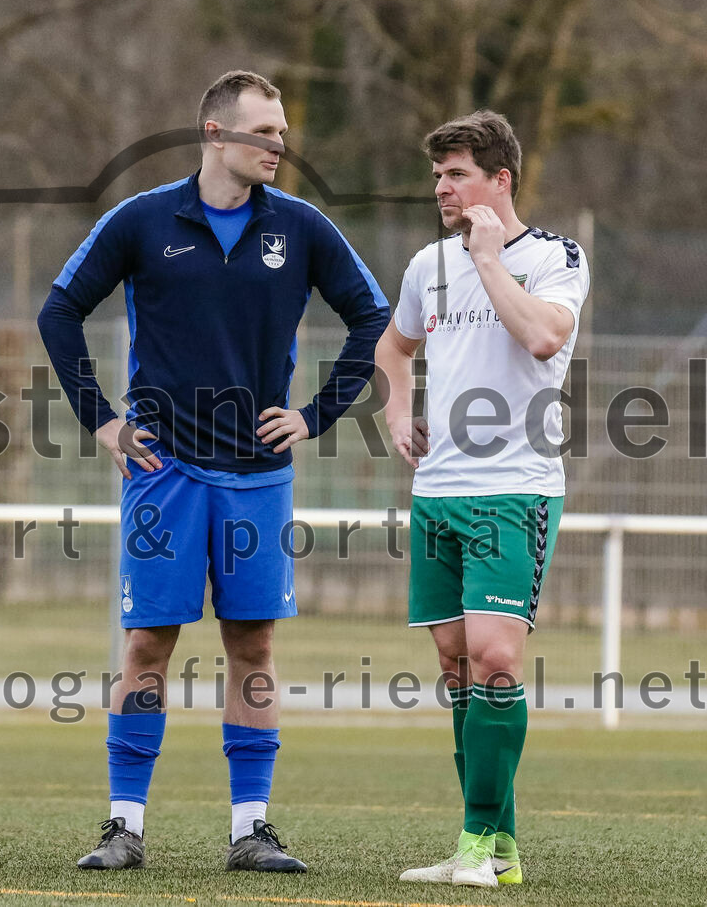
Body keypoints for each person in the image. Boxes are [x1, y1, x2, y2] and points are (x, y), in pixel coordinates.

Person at [38, 70, 389, 872]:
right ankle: (124, 827)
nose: (280, 145)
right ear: (215, 135)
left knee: (253, 647)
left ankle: (249, 830)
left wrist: (315, 414)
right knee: (147, 645)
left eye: (284, 131)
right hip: (163, 472)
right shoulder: (142, 219)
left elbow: (374, 315)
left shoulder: (301, 228)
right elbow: (59, 310)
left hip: (259, 476)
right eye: (265, 132)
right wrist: (102, 421)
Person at [376, 110, 589, 888]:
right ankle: (497, 847)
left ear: (500, 181)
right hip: (439, 492)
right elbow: (392, 346)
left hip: (517, 489)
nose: (442, 187)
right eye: (437, 175)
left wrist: (490, 257)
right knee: (457, 664)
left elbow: (540, 337)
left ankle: (475, 843)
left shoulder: (555, 256)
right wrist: (400, 414)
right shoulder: (425, 264)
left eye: (458, 173)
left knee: (498, 659)